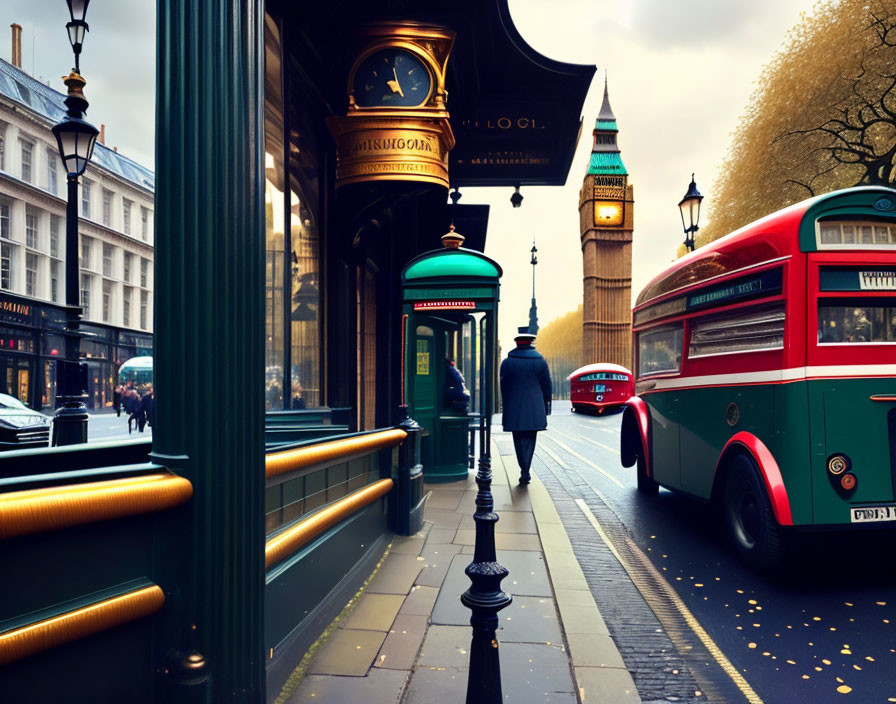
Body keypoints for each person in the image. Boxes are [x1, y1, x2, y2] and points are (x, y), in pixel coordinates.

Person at [500, 326, 552, 485]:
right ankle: (526, 469)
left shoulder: (507, 362)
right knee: (531, 438)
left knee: (518, 438)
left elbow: (504, 386)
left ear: (517, 343)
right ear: (531, 343)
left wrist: (506, 404)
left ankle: (523, 468)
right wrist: (546, 404)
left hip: (515, 406)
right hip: (535, 407)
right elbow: (546, 385)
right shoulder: (540, 360)